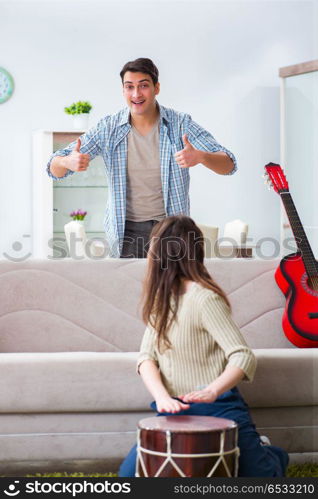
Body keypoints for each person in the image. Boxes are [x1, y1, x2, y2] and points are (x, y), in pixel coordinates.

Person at [118, 215, 289, 477]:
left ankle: (272, 454)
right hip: (174, 408)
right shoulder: (162, 299)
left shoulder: (204, 298)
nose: (149, 252)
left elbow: (242, 356)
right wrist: (163, 398)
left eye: (152, 245)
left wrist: (212, 390)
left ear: (165, 252)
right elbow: (146, 358)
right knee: (128, 477)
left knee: (261, 479)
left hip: (217, 405)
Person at [46, 58, 237, 258]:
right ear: (123, 91)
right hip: (126, 233)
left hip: (171, 231)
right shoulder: (108, 128)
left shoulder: (181, 124)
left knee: (171, 290)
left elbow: (229, 164)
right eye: (129, 87)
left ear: (157, 88)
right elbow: (53, 167)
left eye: (144, 86)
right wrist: (67, 162)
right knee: (129, 289)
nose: (136, 94)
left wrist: (201, 156)